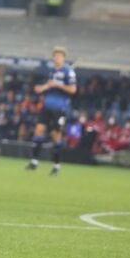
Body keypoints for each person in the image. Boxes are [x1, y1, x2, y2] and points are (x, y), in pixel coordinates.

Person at [26, 46, 77, 175]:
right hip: (47, 107)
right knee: (38, 131)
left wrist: (59, 85)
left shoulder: (68, 72)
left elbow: (73, 90)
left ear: (63, 58)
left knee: (56, 135)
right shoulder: (52, 71)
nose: (57, 58)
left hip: (60, 108)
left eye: (59, 56)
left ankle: (56, 165)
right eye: (55, 56)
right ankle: (34, 161)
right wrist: (41, 88)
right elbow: (50, 85)